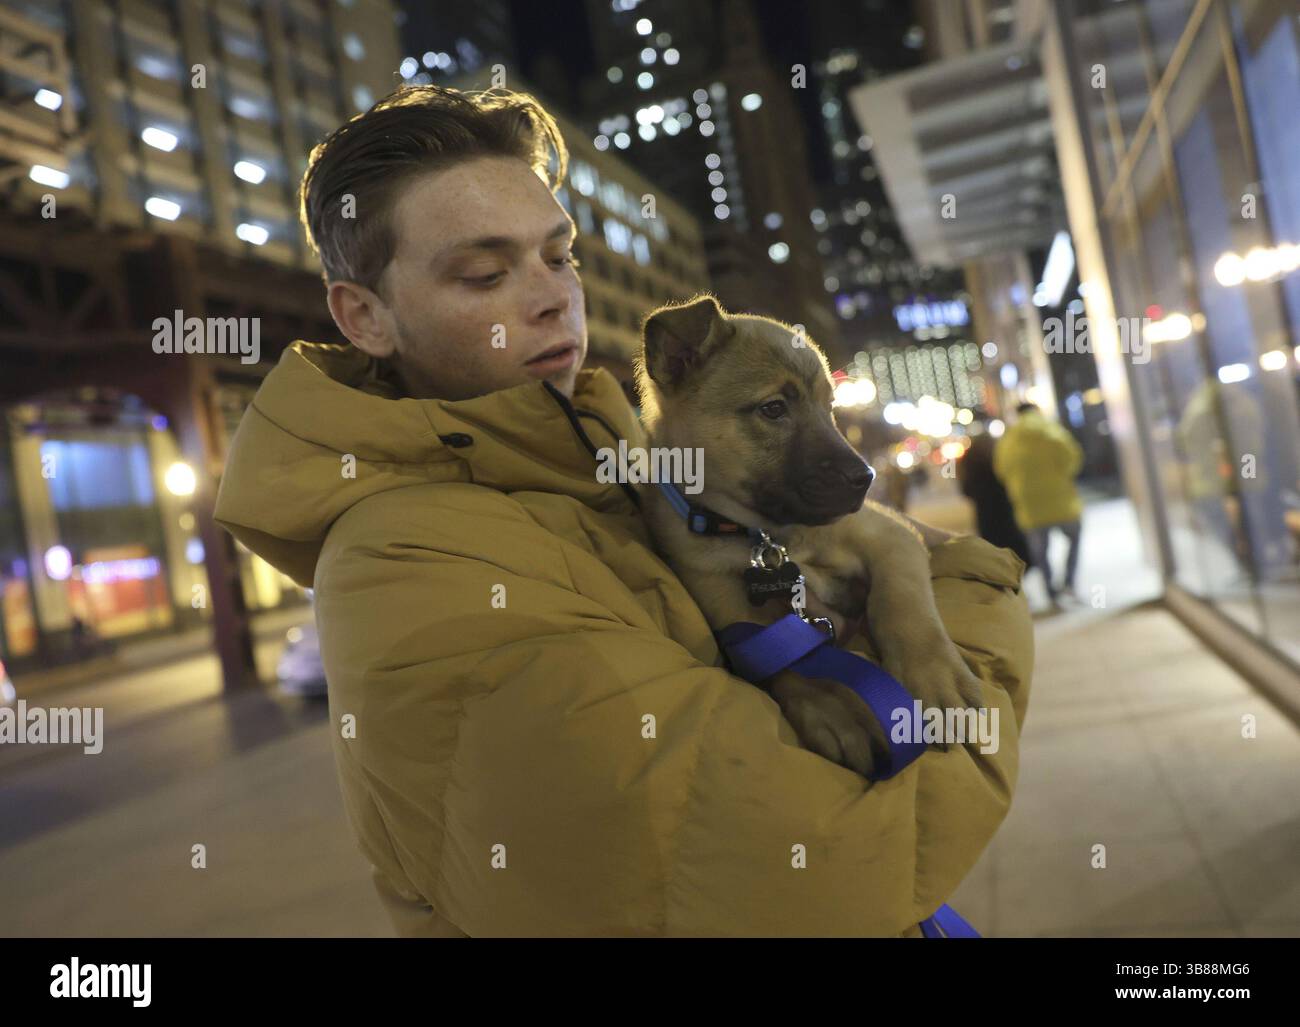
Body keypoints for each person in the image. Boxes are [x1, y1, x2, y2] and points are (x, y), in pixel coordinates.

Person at [213, 84, 1033, 937]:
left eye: (559, 256)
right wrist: (986, 614)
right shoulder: (408, 565)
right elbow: (804, 863)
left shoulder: (621, 476)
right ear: (366, 317)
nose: (551, 296)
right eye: (487, 273)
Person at [993, 401, 1084, 607]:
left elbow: (1001, 471)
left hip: (1029, 505)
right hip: (1061, 499)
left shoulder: (1008, 440)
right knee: (1074, 538)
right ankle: (1069, 583)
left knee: (1040, 551)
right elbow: (1073, 458)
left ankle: (1051, 593)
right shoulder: (1051, 430)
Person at [956, 429, 1033, 569]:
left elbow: (965, 490)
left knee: (997, 552)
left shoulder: (968, 462)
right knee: (1015, 549)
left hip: (985, 514)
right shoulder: (998, 456)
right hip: (1005, 510)